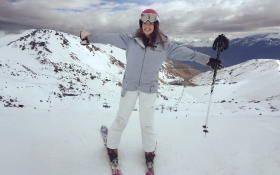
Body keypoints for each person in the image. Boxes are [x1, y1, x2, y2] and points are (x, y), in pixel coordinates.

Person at [80, 9, 220, 166]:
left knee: (147, 122)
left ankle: (149, 151)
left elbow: (189, 54)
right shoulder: (130, 40)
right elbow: (109, 38)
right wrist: (88, 38)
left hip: (149, 88)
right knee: (121, 118)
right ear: (141, 24)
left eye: (150, 23)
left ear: (156, 25)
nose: (147, 26)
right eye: (144, 23)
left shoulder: (165, 45)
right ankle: (112, 147)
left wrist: (208, 61)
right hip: (129, 87)